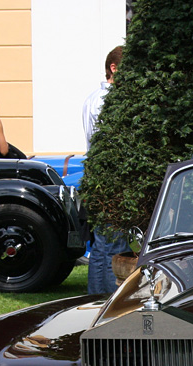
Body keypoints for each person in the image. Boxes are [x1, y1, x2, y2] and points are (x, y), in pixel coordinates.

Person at [81, 46, 129, 297]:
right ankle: (109, 298)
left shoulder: (92, 98)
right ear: (114, 68)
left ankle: (96, 297)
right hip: (109, 176)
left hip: (97, 174)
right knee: (114, 244)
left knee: (102, 245)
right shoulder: (108, 101)